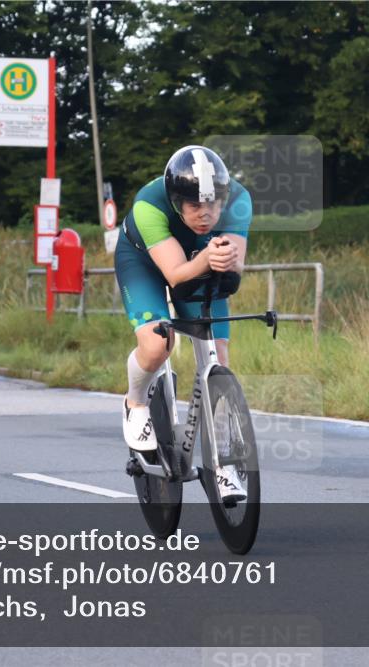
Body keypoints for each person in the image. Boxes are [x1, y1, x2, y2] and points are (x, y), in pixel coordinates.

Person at [115, 145, 252, 501]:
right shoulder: (149, 205)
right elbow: (176, 275)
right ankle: (135, 403)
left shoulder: (239, 200)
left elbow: (235, 270)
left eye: (213, 205)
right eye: (193, 206)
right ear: (177, 203)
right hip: (144, 263)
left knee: (219, 357)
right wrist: (208, 257)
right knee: (157, 344)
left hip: (200, 260)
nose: (205, 214)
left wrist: (228, 261)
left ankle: (225, 463)